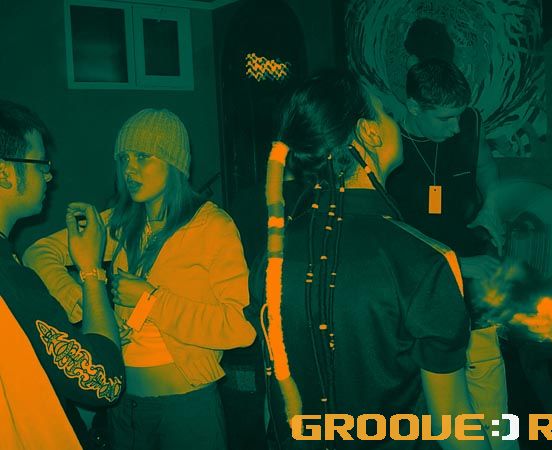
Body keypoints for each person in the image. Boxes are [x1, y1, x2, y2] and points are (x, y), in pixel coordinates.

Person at [252, 71, 492, 449]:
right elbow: (453, 422)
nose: (395, 121)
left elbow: (273, 401)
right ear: (369, 133)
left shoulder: (270, 258)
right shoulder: (422, 261)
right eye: (387, 114)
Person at [23, 108, 257, 449]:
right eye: (124, 158)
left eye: (143, 157)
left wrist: (152, 300)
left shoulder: (211, 227)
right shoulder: (119, 223)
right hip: (124, 409)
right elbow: (38, 253)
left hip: (186, 409)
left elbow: (239, 328)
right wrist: (87, 304)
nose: (129, 169)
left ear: (174, 162)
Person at [385, 58, 515, 448]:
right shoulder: (385, 142)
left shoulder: (468, 122)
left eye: (460, 115)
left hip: (473, 277)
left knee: (490, 387)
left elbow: (486, 166)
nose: (457, 127)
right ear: (413, 106)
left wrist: (491, 204)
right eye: (445, 118)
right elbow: (388, 237)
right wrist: (457, 266)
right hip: (419, 286)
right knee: (437, 402)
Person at [0, 100, 124, 449]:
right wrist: (91, 269)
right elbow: (103, 381)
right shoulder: (9, 279)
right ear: (4, 173)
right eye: (41, 164)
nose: (49, 176)